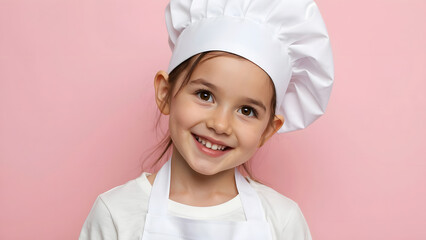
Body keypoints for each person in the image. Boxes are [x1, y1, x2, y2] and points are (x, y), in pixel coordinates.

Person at [79, 0, 333, 239]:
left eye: (246, 111)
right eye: (205, 95)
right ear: (165, 93)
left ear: (268, 130)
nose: (220, 125)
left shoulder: (282, 221)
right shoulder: (115, 213)